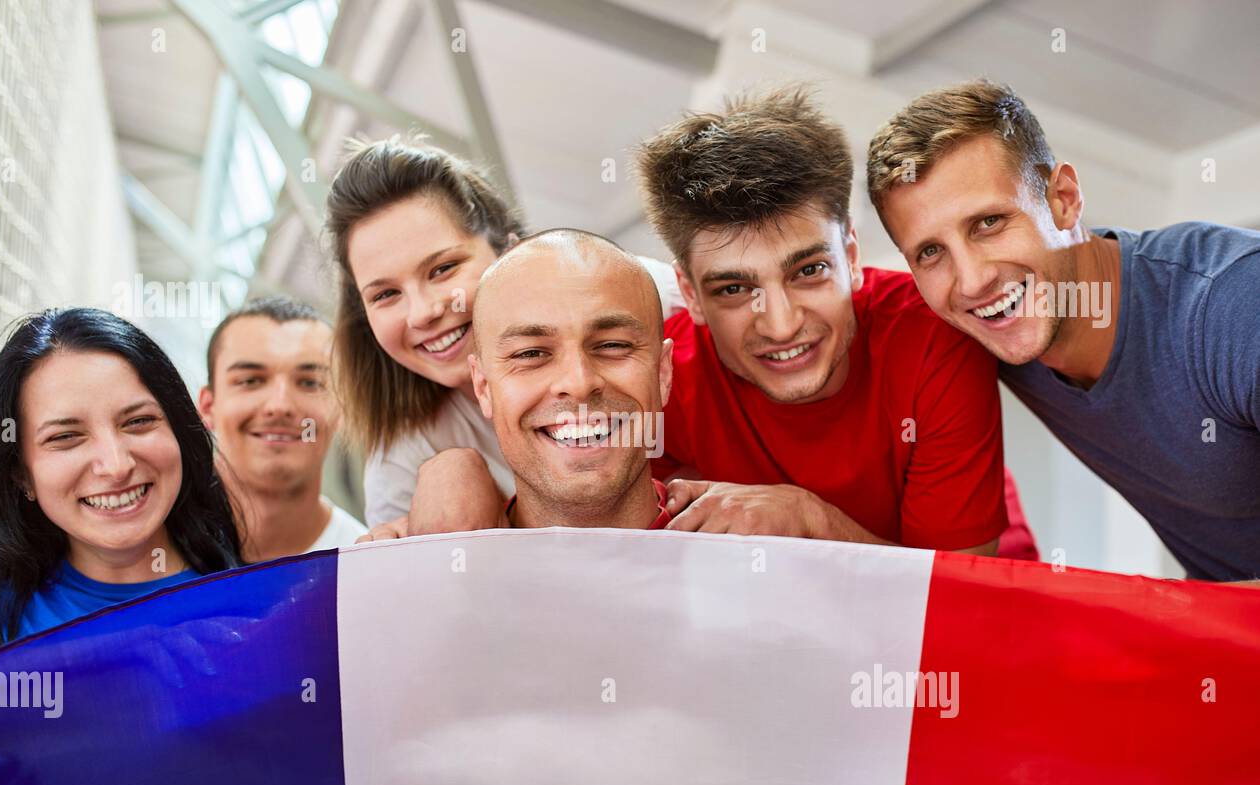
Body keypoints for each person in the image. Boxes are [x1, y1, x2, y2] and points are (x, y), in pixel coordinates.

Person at [866, 79, 1260, 582]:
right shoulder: (979, 330)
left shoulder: (1234, 302)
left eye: (988, 222)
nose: (972, 281)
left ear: (1065, 200)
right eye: (930, 252)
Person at [630, 86, 1032, 554]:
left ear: (852, 255)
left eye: (809, 271)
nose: (780, 326)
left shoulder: (932, 336)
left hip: (991, 590)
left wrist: (809, 519)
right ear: (692, 295)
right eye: (734, 289)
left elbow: (952, 598)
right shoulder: (662, 378)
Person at [323, 137, 683, 536]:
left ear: (510, 249)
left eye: (443, 269)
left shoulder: (642, 294)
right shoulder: (404, 463)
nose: (423, 312)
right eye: (386, 294)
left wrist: (768, 497)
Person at [0, 308, 241, 656]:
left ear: (180, 433)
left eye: (138, 421)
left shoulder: (258, 601)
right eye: (65, 436)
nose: (116, 466)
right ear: (21, 474)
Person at [414, 229, 671, 531]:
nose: (579, 384)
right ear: (483, 388)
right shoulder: (420, 565)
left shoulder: (734, 545)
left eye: (612, 345)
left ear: (662, 372)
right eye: (531, 353)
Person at [198, 296, 366, 561]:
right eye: (251, 381)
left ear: (342, 408)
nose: (280, 405)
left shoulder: (366, 564)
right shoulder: (153, 557)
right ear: (208, 407)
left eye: (310, 383)